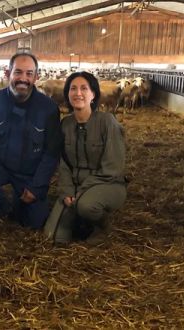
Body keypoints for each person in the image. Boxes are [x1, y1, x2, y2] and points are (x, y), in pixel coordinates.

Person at [0, 52, 61, 229]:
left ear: (36, 77)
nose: (23, 78)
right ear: (8, 73)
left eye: (29, 73)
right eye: (18, 72)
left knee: (35, 222)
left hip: (29, 172)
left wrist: (37, 186)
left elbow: (51, 153)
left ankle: (21, 203)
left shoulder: (48, 109)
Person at [44, 71, 127, 245]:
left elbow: (113, 168)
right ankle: (81, 221)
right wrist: (67, 191)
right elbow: (64, 164)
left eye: (84, 88)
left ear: (93, 94)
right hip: (75, 185)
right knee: (54, 236)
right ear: (67, 94)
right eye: (73, 88)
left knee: (86, 205)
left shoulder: (107, 122)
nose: (78, 93)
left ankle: (102, 225)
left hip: (107, 184)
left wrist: (81, 192)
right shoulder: (65, 124)